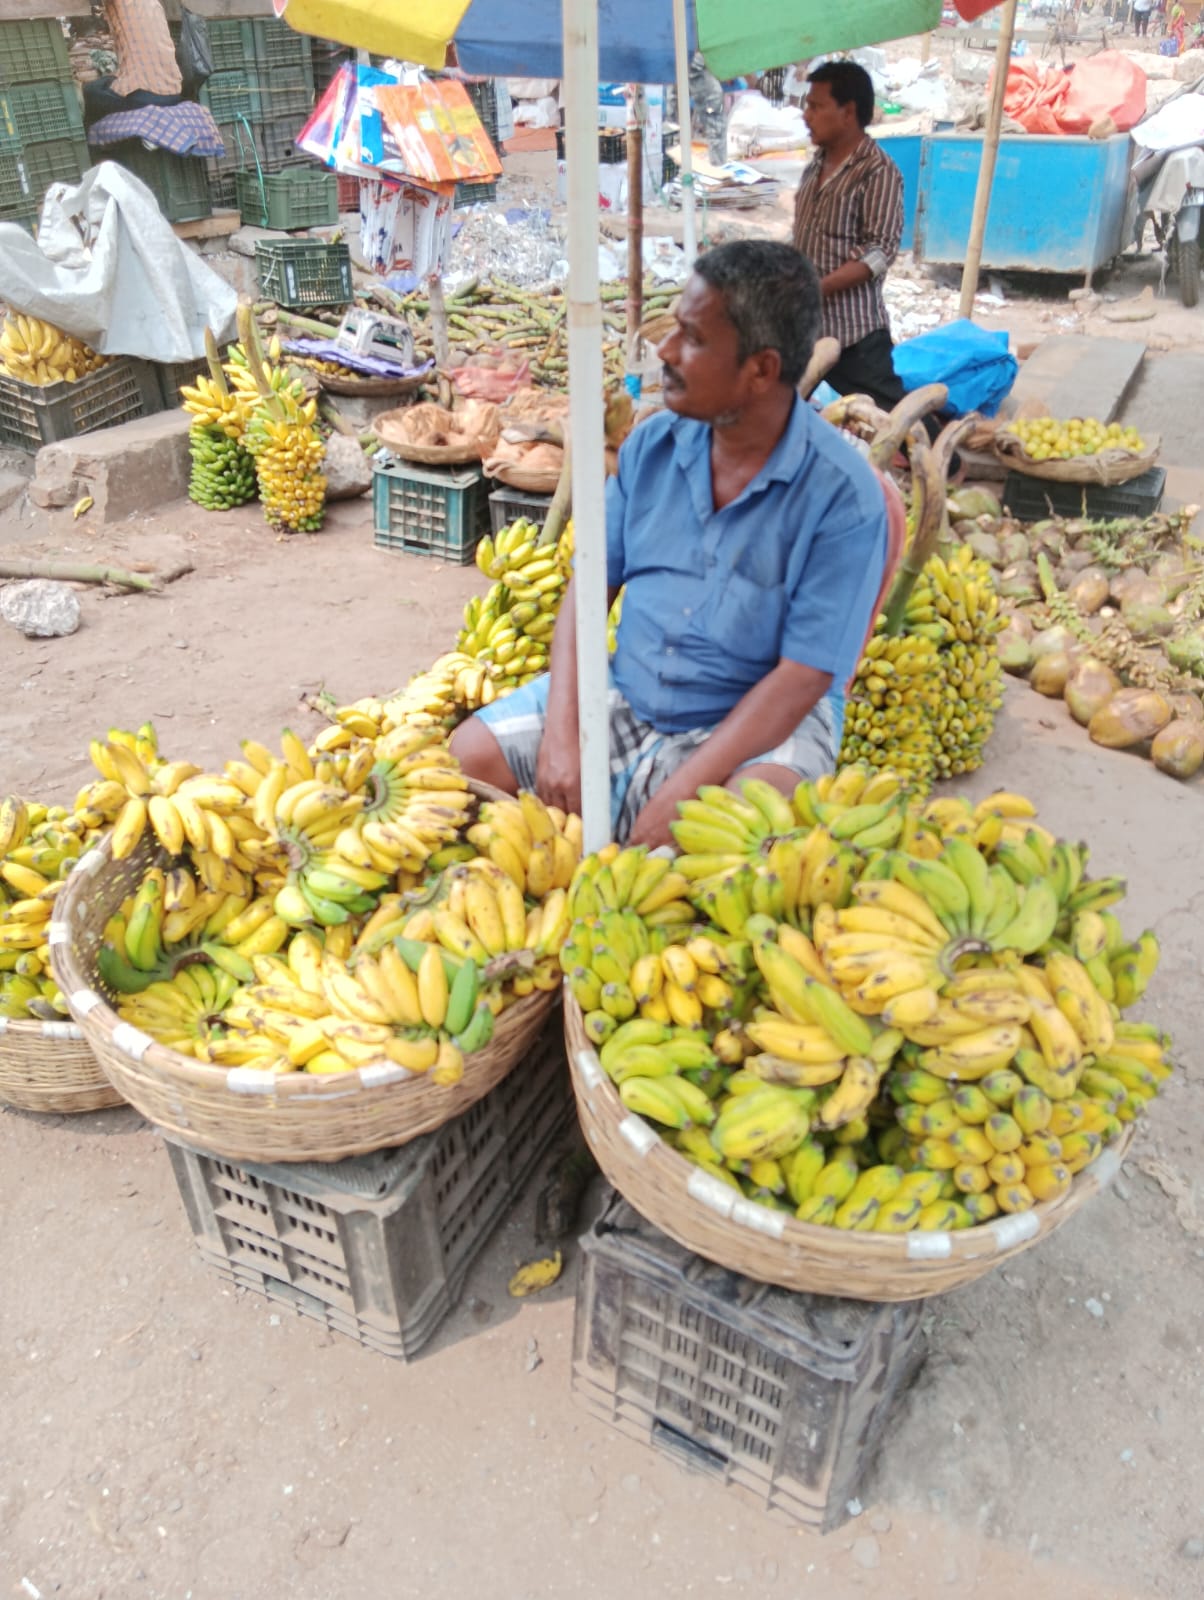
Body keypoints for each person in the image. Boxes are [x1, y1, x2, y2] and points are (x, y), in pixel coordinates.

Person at [449, 240, 893, 847]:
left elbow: (802, 680)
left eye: (693, 338)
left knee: (741, 833)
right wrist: (561, 729)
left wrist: (682, 792)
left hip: (752, 727)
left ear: (761, 370)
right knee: (465, 762)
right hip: (629, 692)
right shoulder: (651, 447)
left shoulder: (843, 498)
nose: (666, 351)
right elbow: (589, 591)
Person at [792, 61, 906, 418]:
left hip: (852, 333)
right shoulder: (816, 165)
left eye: (815, 106)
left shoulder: (877, 171)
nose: (806, 115)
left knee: (894, 420)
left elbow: (879, 251)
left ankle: (947, 463)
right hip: (807, 326)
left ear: (848, 112)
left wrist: (818, 287)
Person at [82, 0, 184, 128]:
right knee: (108, 81)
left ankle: (96, 144)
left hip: (146, 95)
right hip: (173, 91)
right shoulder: (153, 3)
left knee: (88, 91)